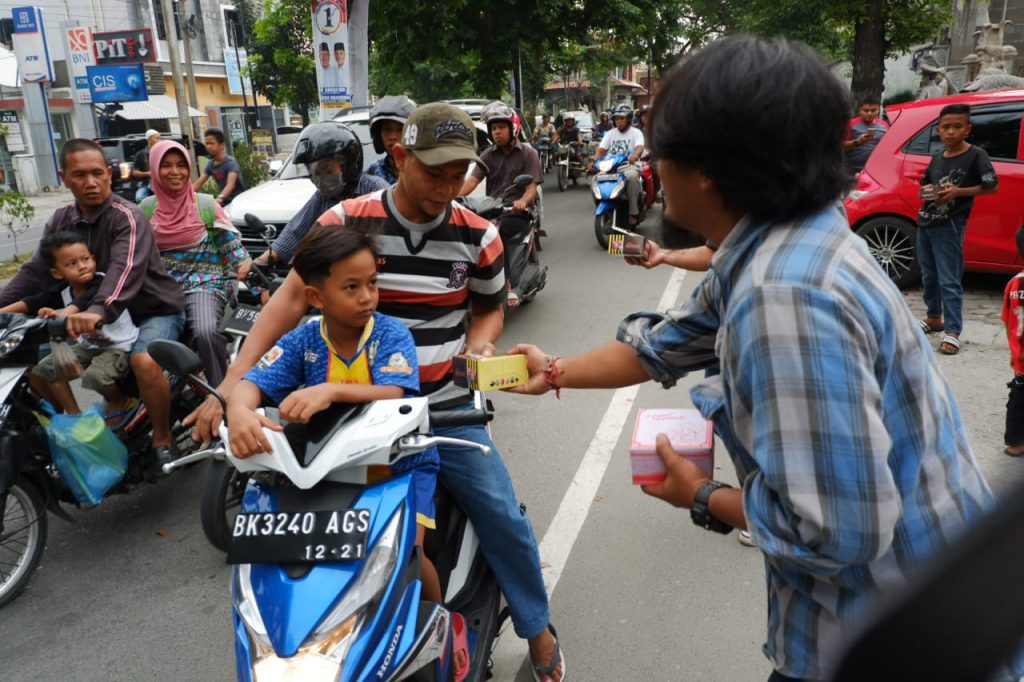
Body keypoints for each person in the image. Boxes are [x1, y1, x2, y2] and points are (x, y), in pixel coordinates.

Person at [507, 35, 1018, 681]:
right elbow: (664, 344)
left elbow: (837, 530)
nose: (655, 169)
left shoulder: (784, 297)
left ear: (711, 169)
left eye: (661, 149)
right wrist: (552, 370)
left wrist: (704, 496)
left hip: (885, 642)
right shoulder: (781, 242)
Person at [187, 102, 565, 682]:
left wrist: (483, 346)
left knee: (502, 517)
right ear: (399, 156)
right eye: (433, 171)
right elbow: (287, 304)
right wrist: (230, 388)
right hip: (338, 425)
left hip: (442, 412)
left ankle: (539, 635)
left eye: (458, 173)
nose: (446, 186)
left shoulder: (479, 235)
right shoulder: (345, 221)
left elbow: (489, 308)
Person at [226, 226, 444, 603]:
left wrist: (330, 391)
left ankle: (440, 630)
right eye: (351, 287)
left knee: (406, 555)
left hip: (400, 465)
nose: (367, 297)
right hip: (327, 468)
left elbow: (394, 393)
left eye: (372, 283)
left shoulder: (390, 334)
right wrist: (239, 409)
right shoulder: (302, 340)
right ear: (315, 296)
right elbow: (253, 381)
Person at [0, 139, 186, 472]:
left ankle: (161, 439)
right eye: (80, 174)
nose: (91, 182)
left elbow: (123, 271)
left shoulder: (125, 217)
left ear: (110, 175)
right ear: (64, 177)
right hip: (91, 319)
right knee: (33, 362)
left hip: (150, 311)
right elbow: (36, 272)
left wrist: (96, 311)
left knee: (144, 360)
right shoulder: (60, 221)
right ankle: (72, 425)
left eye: (98, 173)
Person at [0, 231, 139, 425]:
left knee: (95, 377)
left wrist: (64, 313)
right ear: (57, 272)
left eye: (85, 259)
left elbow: (85, 300)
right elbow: (32, 302)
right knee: (44, 369)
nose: (82, 266)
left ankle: (120, 400)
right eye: (72, 264)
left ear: (93, 259)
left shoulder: (102, 282)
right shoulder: (64, 290)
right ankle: (74, 414)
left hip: (117, 346)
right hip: (89, 346)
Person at [143, 140, 251, 387]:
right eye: (166, 165)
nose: (175, 171)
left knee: (205, 332)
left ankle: (221, 396)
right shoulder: (146, 210)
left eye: (181, 165)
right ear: (154, 170)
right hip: (162, 292)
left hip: (205, 285)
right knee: (139, 348)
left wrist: (259, 286)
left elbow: (234, 253)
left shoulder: (204, 206)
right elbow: (135, 258)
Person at [241, 122, 388, 276]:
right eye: (315, 172)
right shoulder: (323, 198)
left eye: (327, 170)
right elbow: (296, 231)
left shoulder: (375, 189)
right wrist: (262, 261)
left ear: (349, 165)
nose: (320, 178)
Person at [916, 103, 998, 356]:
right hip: (925, 222)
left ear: (967, 129)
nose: (951, 132)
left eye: (957, 126)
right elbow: (925, 185)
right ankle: (933, 318)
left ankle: (952, 331)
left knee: (949, 279)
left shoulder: (976, 155)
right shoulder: (938, 156)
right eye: (946, 127)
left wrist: (958, 191)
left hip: (950, 225)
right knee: (928, 276)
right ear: (939, 131)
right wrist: (928, 192)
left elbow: (991, 186)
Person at [459, 101, 543, 307]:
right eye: (494, 128)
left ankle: (506, 286)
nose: (497, 132)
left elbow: (531, 187)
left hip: (517, 212)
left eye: (501, 127)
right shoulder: (487, 154)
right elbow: (472, 181)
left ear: (513, 127)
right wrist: (451, 197)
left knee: (495, 234)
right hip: (491, 208)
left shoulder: (527, 153)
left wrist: (522, 201)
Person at [591, 104, 645, 225]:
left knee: (632, 178)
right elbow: (601, 150)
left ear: (628, 119)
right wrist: (594, 161)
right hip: (611, 167)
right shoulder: (610, 133)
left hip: (629, 165)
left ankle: (633, 213)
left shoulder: (636, 132)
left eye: (622, 118)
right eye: (616, 118)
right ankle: (603, 207)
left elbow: (639, 147)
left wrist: (635, 155)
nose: (619, 121)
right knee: (595, 179)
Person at [1003, 225, 1024, 457]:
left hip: (1021, 359)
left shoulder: (1014, 284)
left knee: (1018, 400)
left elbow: (1008, 320)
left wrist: (1013, 349)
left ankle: (1016, 443)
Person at [366, 95, 417, 185]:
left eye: (400, 129)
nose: (393, 136)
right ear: (378, 135)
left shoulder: (423, 170)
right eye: (387, 129)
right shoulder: (373, 171)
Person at [193, 128, 246, 207]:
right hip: (224, 203)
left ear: (221, 145)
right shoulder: (211, 165)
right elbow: (198, 183)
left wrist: (219, 198)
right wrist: (185, 195)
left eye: (211, 143)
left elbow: (230, 185)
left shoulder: (230, 162)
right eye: (207, 143)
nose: (208, 146)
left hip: (238, 202)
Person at [843, 97, 888, 176]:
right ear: (860, 110)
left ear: (878, 110)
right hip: (852, 169)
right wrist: (857, 142)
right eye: (866, 110)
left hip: (875, 171)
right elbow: (841, 146)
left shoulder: (884, 125)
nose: (869, 113)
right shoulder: (851, 124)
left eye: (873, 110)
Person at [132, 129, 161, 202]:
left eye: (160, 138)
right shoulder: (140, 154)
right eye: (157, 138)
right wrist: (148, 173)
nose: (160, 140)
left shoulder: (162, 152)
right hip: (147, 183)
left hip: (162, 183)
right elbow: (135, 172)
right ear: (149, 140)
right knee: (139, 198)